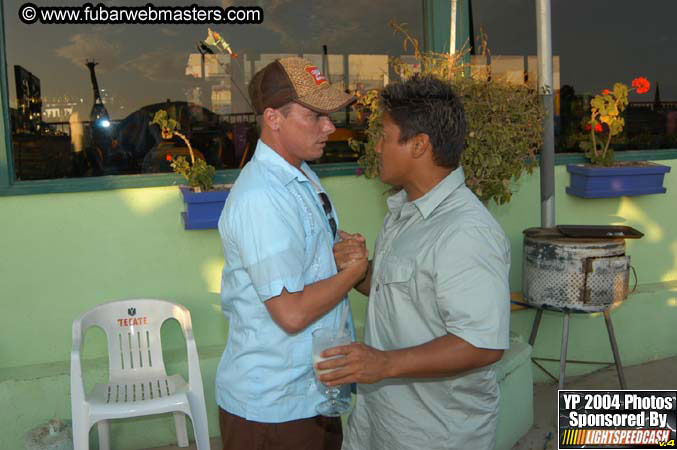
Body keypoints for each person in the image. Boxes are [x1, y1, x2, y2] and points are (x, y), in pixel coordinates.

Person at [319, 74, 511, 450]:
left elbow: (483, 344)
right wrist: (361, 270)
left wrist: (384, 364)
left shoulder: (465, 232)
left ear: (419, 145)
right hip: (381, 423)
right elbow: (405, 290)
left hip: (435, 434)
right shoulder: (404, 210)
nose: (377, 147)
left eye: (385, 136)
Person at [215, 56, 367, 450]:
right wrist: (352, 273)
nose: (329, 127)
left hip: (307, 394)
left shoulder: (299, 175)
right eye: (315, 115)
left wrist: (332, 256)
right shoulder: (263, 197)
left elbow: (302, 266)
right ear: (273, 118)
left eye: (329, 115)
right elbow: (292, 312)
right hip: (275, 410)